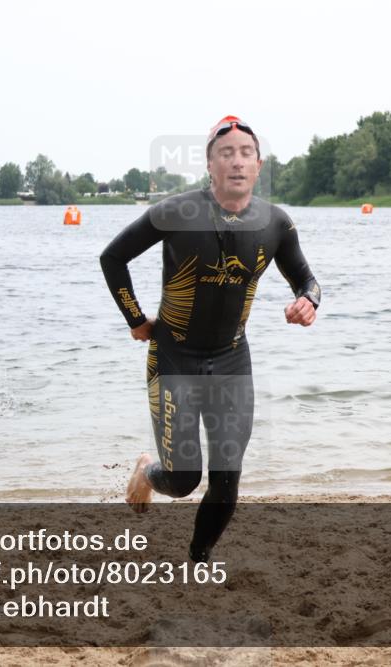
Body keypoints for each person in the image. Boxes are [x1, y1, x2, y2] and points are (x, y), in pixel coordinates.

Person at [100, 116, 321, 562]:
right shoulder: (175, 212)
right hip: (173, 357)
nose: (236, 162)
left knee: (226, 478)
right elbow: (113, 257)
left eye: (245, 154)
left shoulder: (275, 223)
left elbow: (307, 279)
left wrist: (308, 301)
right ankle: (148, 471)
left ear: (258, 166)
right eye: (226, 153)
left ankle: (197, 559)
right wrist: (136, 318)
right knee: (183, 480)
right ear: (210, 165)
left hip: (231, 360)